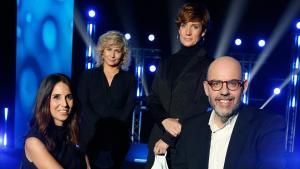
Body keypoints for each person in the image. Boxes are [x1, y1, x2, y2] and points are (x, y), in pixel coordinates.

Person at [173, 56, 286, 169]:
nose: (224, 91)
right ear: (206, 88)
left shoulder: (268, 126)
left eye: (233, 83)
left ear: (244, 87)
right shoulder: (190, 128)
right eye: (216, 83)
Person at [145, 2, 214, 169]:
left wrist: (169, 138)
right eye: (184, 25)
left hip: (187, 145)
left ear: (203, 31)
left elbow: (201, 106)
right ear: (178, 28)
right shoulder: (166, 63)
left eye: (194, 26)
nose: (188, 32)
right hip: (157, 144)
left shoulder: (209, 65)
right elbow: (153, 99)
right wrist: (164, 120)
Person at [77, 30, 136, 169]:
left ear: (124, 54)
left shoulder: (129, 78)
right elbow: (83, 104)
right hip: (91, 137)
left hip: (117, 139)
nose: (113, 55)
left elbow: (129, 107)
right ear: (102, 51)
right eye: (109, 49)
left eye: (117, 50)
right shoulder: (88, 76)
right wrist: (99, 125)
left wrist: (112, 129)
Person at [20, 73, 82, 169]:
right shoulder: (34, 141)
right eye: (57, 97)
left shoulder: (73, 135)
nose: (64, 104)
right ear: (45, 100)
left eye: (69, 97)